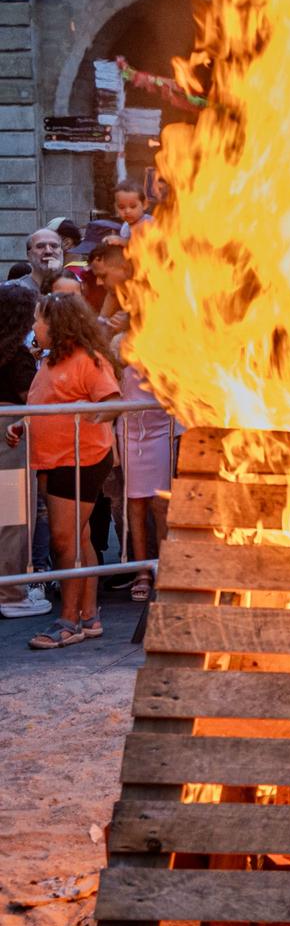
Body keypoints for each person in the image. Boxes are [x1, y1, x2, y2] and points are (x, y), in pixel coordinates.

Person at [16, 294, 121, 649]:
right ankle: (87, 616)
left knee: (64, 540)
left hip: (78, 460)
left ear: (57, 325)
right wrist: (24, 425)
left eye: (38, 321)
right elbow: (45, 405)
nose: (33, 328)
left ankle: (69, 620)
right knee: (78, 537)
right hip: (56, 459)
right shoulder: (51, 362)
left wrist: (88, 421)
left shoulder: (87, 360)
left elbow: (110, 403)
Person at [0, 284, 45, 620]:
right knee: (14, 516)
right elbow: (32, 399)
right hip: (11, 436)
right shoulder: (16, 355)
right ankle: (11, 594)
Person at [9, 229, 66, 296]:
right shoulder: (13, 291)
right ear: (29, 255)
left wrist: (59, 273)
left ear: (61, 253)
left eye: (54, 246)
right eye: (40, 246)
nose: (48, 251)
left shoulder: (76, 287)